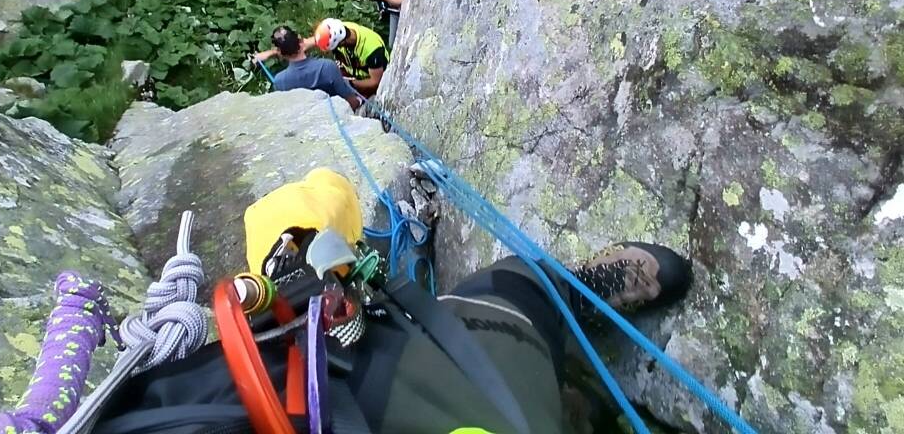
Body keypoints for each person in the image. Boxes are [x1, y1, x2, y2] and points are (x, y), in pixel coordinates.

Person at [87, 168, 693, 434]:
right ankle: (567, 301)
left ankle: (567, 388)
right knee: (511, 291)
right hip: (371, 394)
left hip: (284, 388)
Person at [253, 25, 365, 110]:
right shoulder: (327, 67)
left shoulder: (279, 81)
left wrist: (271, 53)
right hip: (338, 116)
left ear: (280, 53)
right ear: (301, 41)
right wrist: (359, 101)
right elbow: (351, 102)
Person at [313, 17, 388, 98]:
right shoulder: (341, 29)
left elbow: (375, 82)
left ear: (341, 42)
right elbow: (324, 36)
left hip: (369, 78)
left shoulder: (372, 51)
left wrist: (351, 84)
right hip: (351, 70)